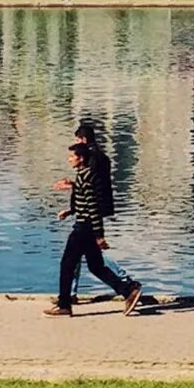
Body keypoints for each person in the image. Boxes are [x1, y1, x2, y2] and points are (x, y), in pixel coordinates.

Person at [49, 133, 138, 317]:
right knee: (96, 266)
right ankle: (128, 291)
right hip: (86, 226)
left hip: (83, 228)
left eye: (71, 157)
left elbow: (93, 208)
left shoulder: (84, 177)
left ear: (80, 159)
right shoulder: (83, 176)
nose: (69, 160)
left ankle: (64, 304)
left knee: (67, 265)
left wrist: (99, 236)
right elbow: (84, 201)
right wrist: (71, 210)